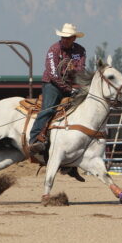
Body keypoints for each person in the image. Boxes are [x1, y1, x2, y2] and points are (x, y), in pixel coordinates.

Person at [28, 23, 87, 155]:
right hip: (52, 85)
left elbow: (81, 69)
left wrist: (73, 71)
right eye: (63, 37)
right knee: (48, 109)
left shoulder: (80, 51)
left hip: (70, 85)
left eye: (68, 37)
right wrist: (68, 88)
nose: (64, 40)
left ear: (74, 38)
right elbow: (53, 74)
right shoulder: (54, 50)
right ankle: (33, 140)